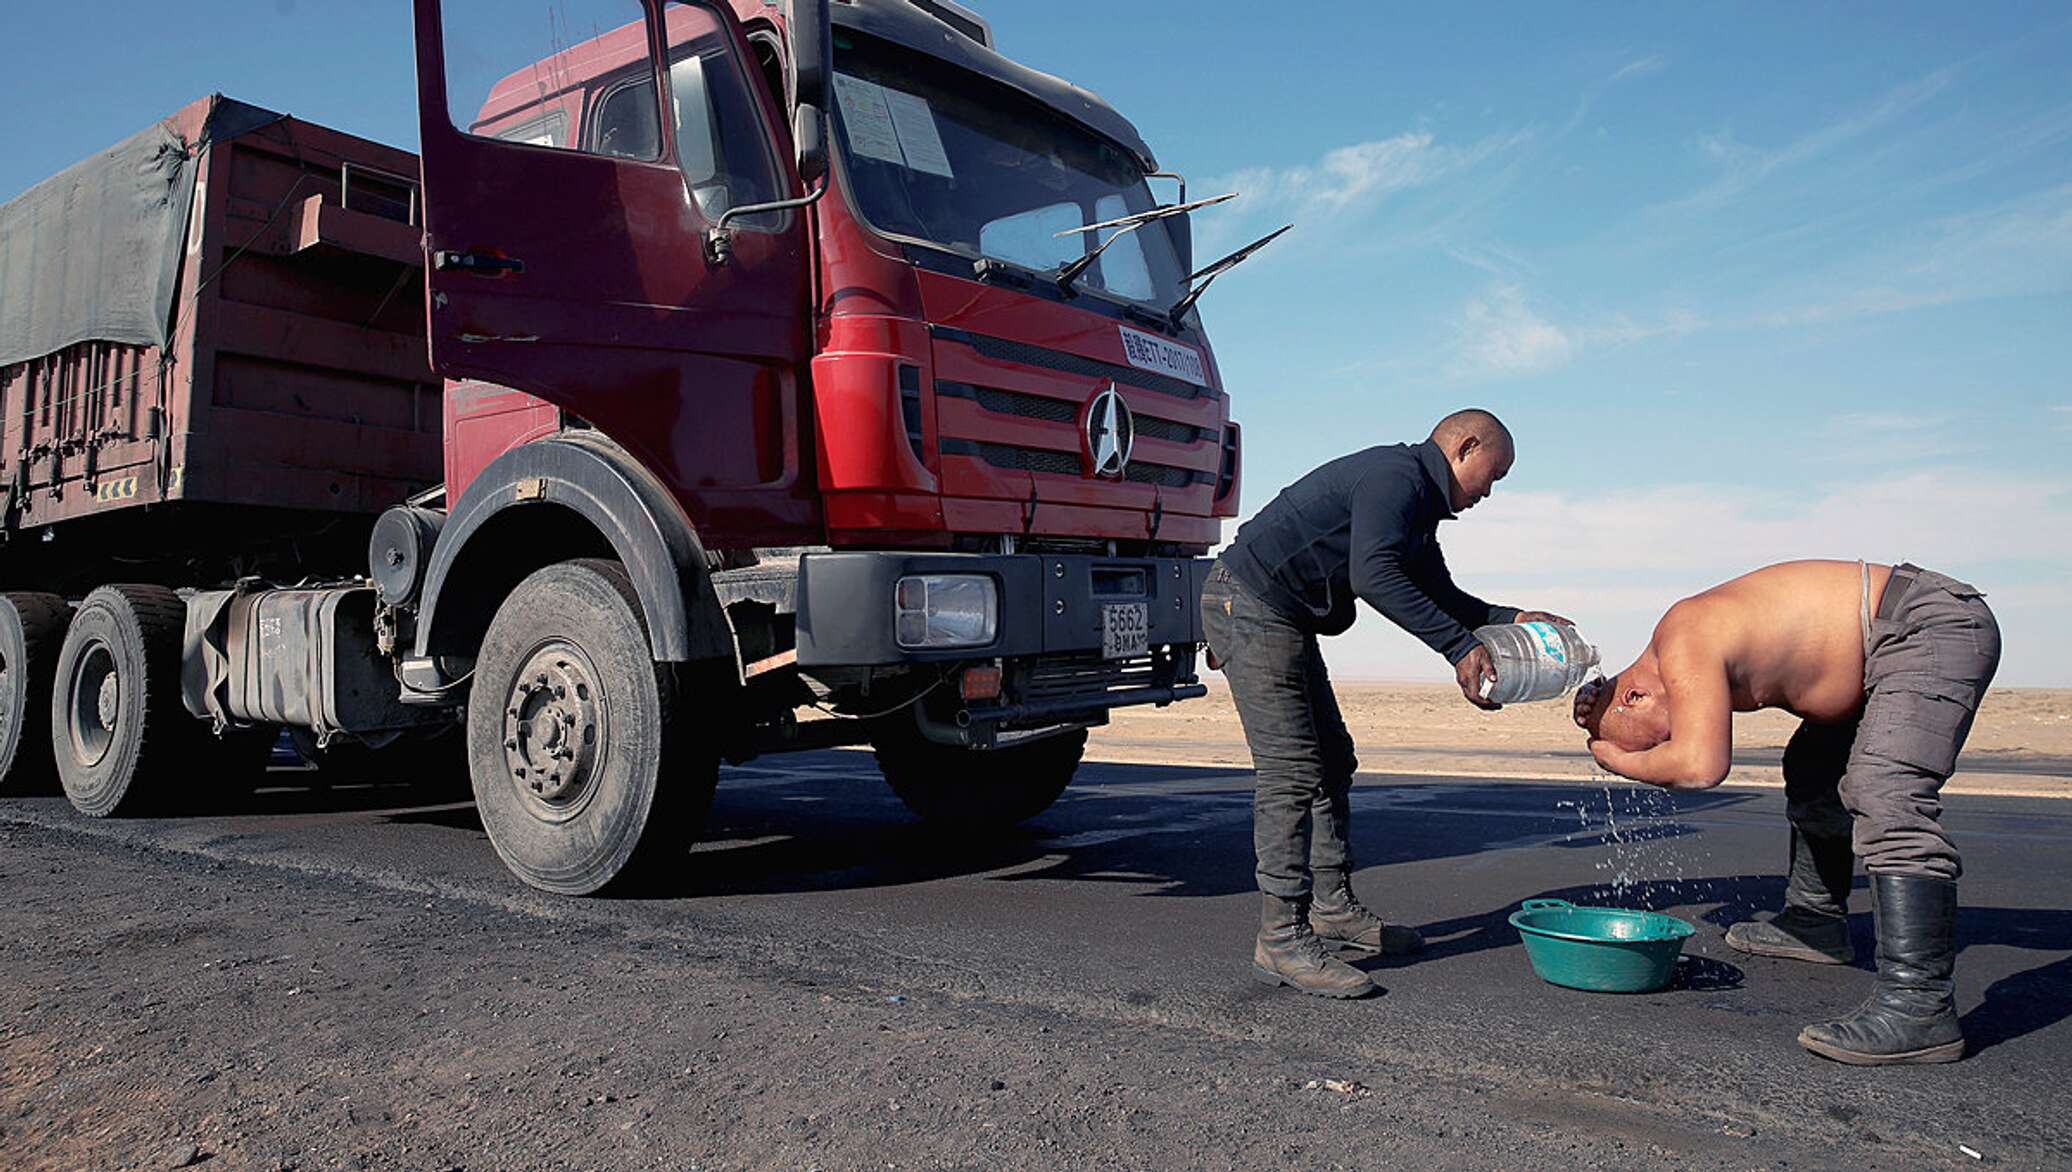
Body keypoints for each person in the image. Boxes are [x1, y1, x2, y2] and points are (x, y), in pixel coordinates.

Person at [1201, 409, 1569, 998]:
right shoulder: (1395, 479)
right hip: (1247, 604)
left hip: (1278, 614)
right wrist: (1458, 649)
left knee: (1332, 761)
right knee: (1292, 772)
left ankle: (1332, 910)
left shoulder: (1416, 502)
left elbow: (1436, 591)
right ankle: (1281, 937)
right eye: (1492, 476)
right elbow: (1374, 575)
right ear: (1464, 447)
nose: (1489, 493)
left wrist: (1508, 619)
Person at [1574, 560, 2000, 1065]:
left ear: (1637, 694)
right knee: (1813, 766)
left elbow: (1700, 765)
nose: (1668, 741)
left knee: (1884, 791)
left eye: (1657, 738)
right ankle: (1815, 921)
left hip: (1921, 627)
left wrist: (1617, 758)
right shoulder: (1680, 643)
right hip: (1882, 646)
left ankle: (1920, 1005)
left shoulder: (1683, 637)